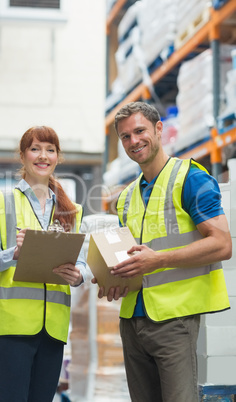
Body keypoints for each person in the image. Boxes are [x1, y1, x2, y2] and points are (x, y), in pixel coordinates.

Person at [92, 102, 232, 402]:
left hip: (174, 320)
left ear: (159, 129)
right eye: (125, 137)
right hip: (131, 321)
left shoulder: (190, 178)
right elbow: (132, 255)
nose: (133, 141)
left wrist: (158, 260)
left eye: (140, 131)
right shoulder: (127, 196)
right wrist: (111, 277)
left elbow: (222, 244)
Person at [0, 126, 86, 402]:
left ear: (57, 157)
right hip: (12, 328)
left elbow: (83, 264)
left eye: (50, 150)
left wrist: (77, 276)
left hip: (53, 330)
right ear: (23, 155)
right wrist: (14, 253)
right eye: (35, 149)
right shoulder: (1, 202)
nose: (43, 156)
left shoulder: (70, 209)